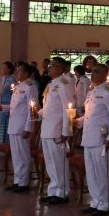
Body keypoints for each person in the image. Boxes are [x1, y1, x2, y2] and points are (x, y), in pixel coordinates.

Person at [78, 64, 109, 216]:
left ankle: (105, 204)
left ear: (105, 74)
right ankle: (95, 201)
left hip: (101, 138)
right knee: (91, 172)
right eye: (92, 72)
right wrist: (78, 121)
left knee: (102, 171)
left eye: (97, 72)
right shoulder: (92, 91)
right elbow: (90, 115)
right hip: (88, 137)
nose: (93, 74)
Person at [40, 57, 76, 205]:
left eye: (53, 65)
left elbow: (69, 109)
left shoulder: (64, 84)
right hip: (47, 128)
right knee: (50, 162)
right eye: (50, 65)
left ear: (61, 68)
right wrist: (37, 113)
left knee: (59, 162)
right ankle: (53, 191)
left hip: (57, 130)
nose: (49, 68)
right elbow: (49, 107)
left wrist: (66, 131)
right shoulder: (51, 84)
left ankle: (62, 193)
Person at [4, 63, 39, 193]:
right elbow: (14, 107)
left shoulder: (31, 87)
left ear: (26, 73)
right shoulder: (18, 87)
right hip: (13, 125)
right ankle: (17, 181)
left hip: (22, 126)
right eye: (16, 71)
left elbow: (32, 108)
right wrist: (0, 107)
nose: (16, 73)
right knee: (16, 156)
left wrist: (29, 127)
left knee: (23, 155)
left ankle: (23, 183)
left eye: (19, 71)